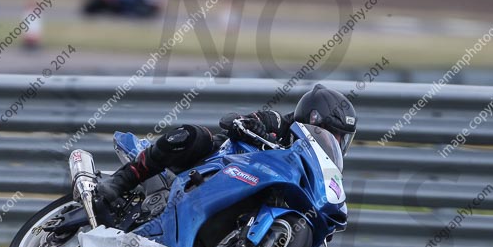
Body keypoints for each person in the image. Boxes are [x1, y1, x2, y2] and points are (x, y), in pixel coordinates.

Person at [96, 84, 357, 203]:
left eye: (340, 139)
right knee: (194, 135)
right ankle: (121, 180)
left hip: (245, 195)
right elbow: (252, 119)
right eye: (333, 134)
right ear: (314, 120)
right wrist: (248, 124)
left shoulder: (311, 169)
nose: (334, 142)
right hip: (212, 165)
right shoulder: (281, 124)